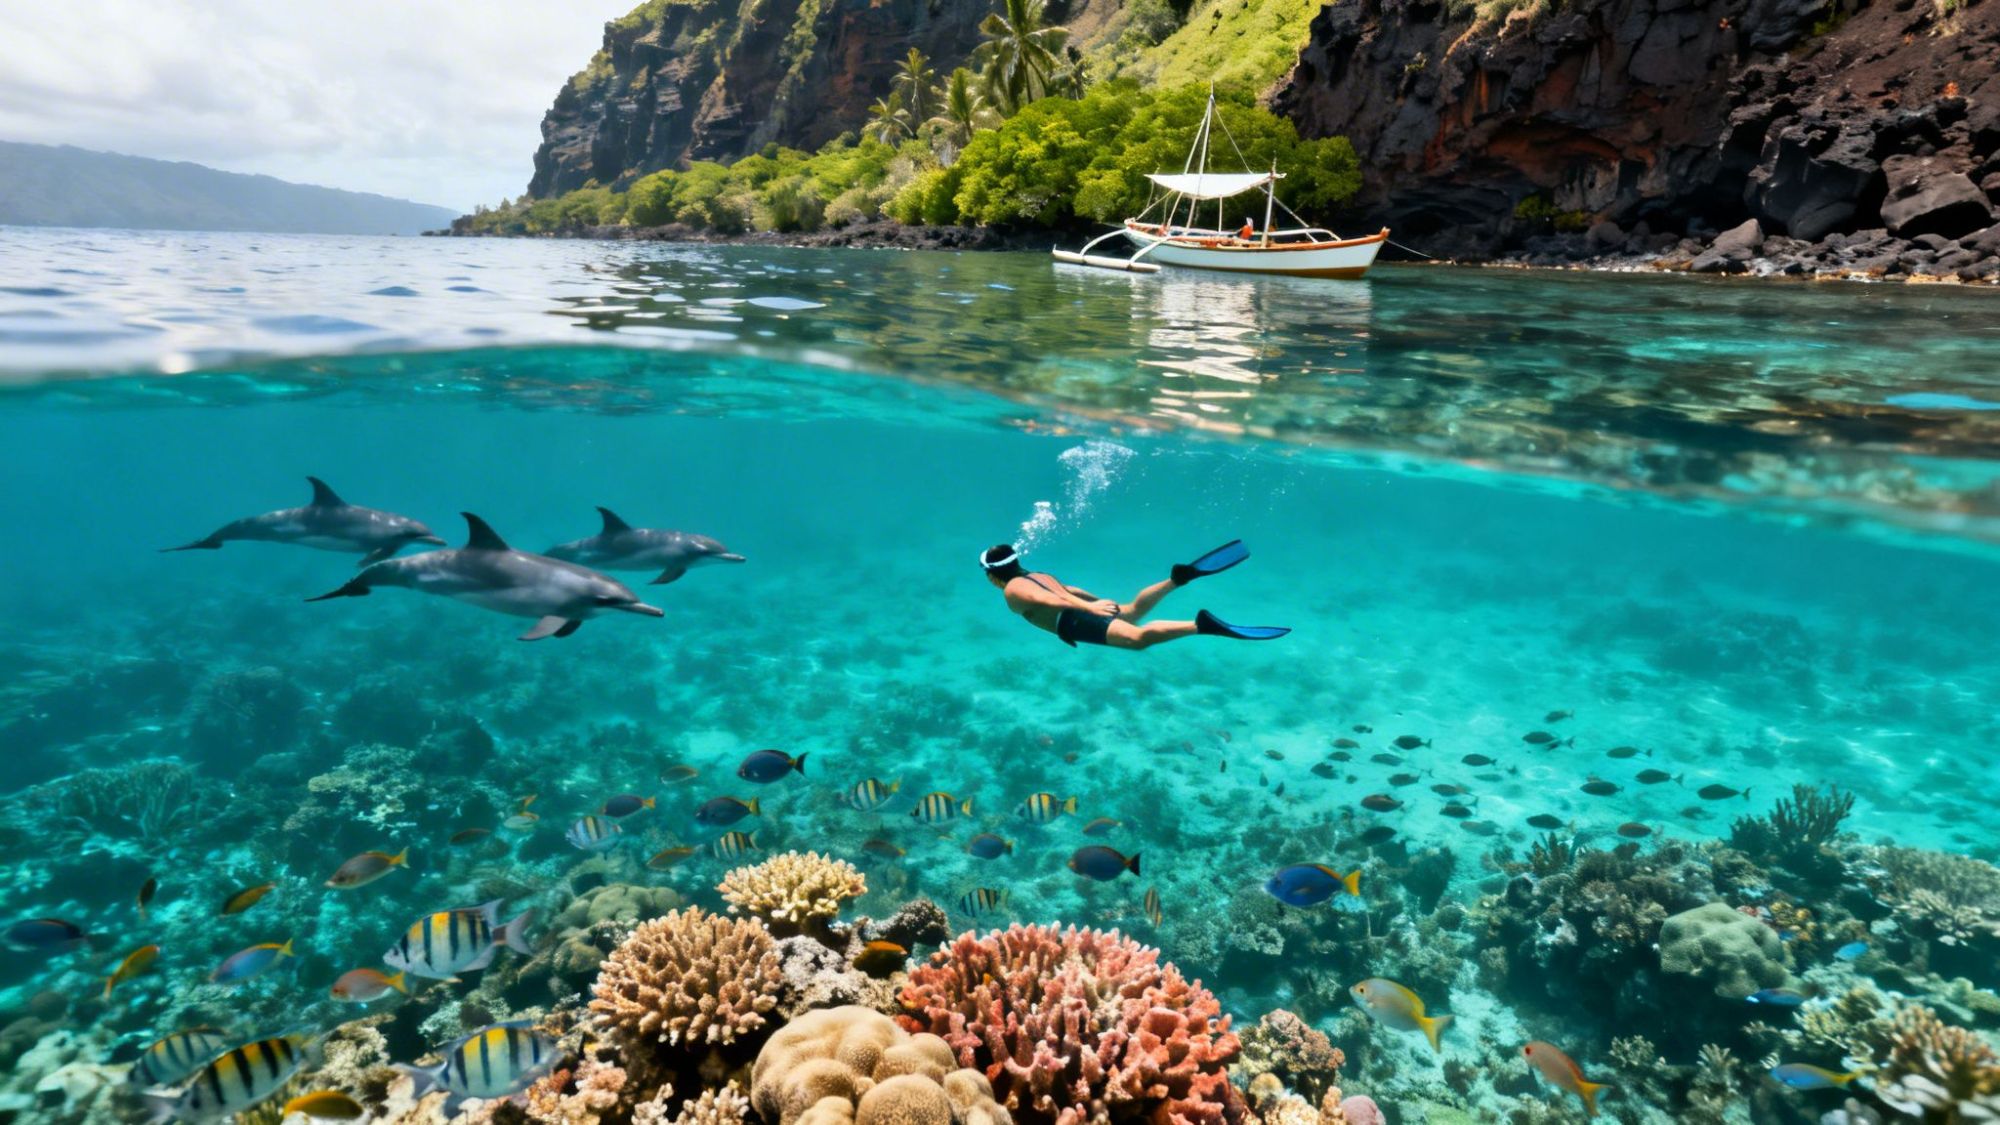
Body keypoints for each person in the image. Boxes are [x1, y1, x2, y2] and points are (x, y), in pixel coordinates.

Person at [980, 541, 1289, 649]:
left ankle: (1201, 626)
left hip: (1070, 621)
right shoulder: (1036, 575)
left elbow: (1053, 600)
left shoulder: (1013, 589)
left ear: (993, 574)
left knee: (1137, 640)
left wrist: (1087, 608)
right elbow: (1066, 589)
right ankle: (1176, 580)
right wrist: (1095, 601)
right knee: (1130, 612)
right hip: (1077, 610)